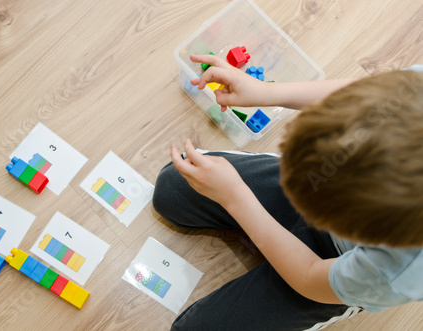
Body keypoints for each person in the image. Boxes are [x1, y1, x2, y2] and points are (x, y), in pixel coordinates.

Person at [152, 54, 423, 330]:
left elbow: (309, 277)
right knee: (172, 188)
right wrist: (266, 92)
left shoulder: (407, 266)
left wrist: (235, 197)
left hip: (331, 262)